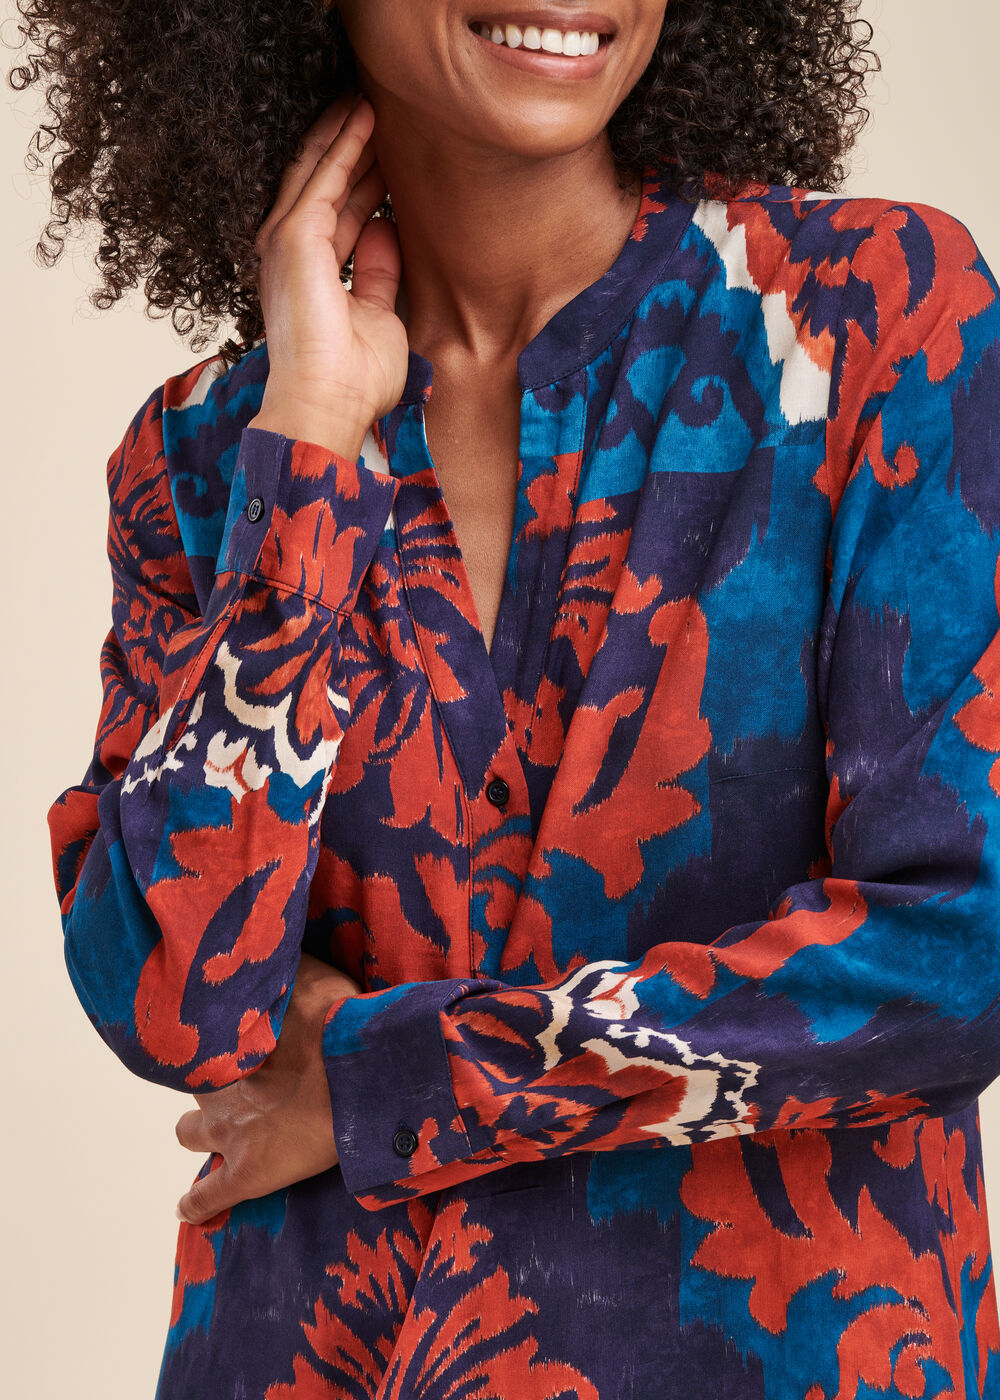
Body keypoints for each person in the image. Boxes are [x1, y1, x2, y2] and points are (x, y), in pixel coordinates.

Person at [15, 0, 1000, 1393]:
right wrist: (310, 451)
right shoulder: (205, 458)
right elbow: (179, 1003)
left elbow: (963, 953)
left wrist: (394, 1077)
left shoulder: (873, 320)